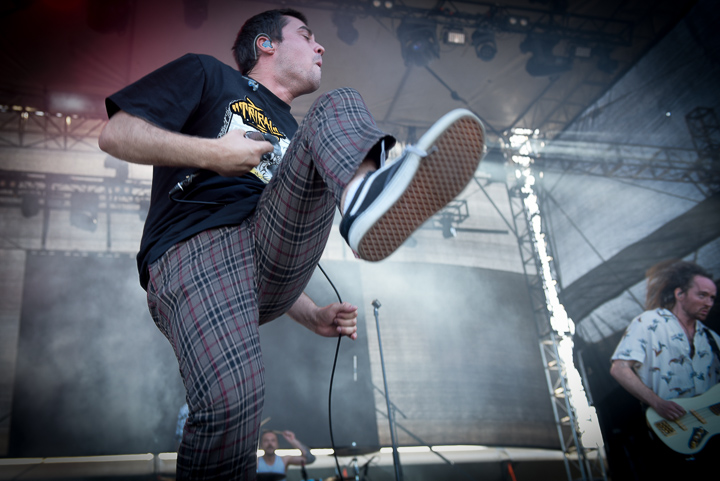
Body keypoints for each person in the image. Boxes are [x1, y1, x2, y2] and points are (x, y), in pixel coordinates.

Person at [98, 8, 484, 481]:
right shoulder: (208, 74)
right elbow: (116, 134)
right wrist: (214, 153)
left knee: (338, 103)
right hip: (197, 248)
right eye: (306, 36)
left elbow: (266, 243)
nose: (320, 46)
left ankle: (363, 194)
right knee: (231, 403)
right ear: (266, 45)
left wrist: (311, 313)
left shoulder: (306, 134)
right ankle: (368, 192)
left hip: (270, 256)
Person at [609, 260, 719, 479]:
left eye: (712, 298)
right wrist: (657, 402)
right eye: (702, 295)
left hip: (710, 437)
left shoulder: (712, 338)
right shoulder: (649, 322)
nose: (708, 303)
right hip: (668, 429)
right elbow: (619, 368)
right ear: (680, 294)